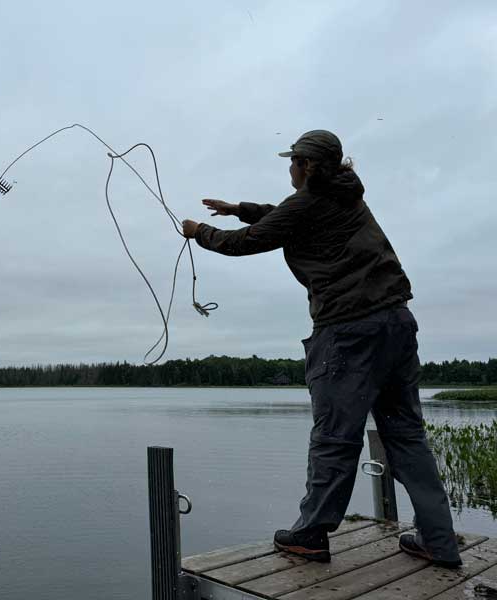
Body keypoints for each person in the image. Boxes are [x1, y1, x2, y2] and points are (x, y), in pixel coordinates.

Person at [180, 130, 462, 568]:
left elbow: (247, 243)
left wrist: (202, 233)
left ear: (306, 166)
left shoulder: (309, 201)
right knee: (406, 434)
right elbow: (286, 217)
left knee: (334, 436)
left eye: (292, 161)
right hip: (397, 323)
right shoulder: (345, 195)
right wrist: (241, 209)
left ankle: (311, 535)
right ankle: (439, 542)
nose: (288, 168)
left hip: (348, 332)